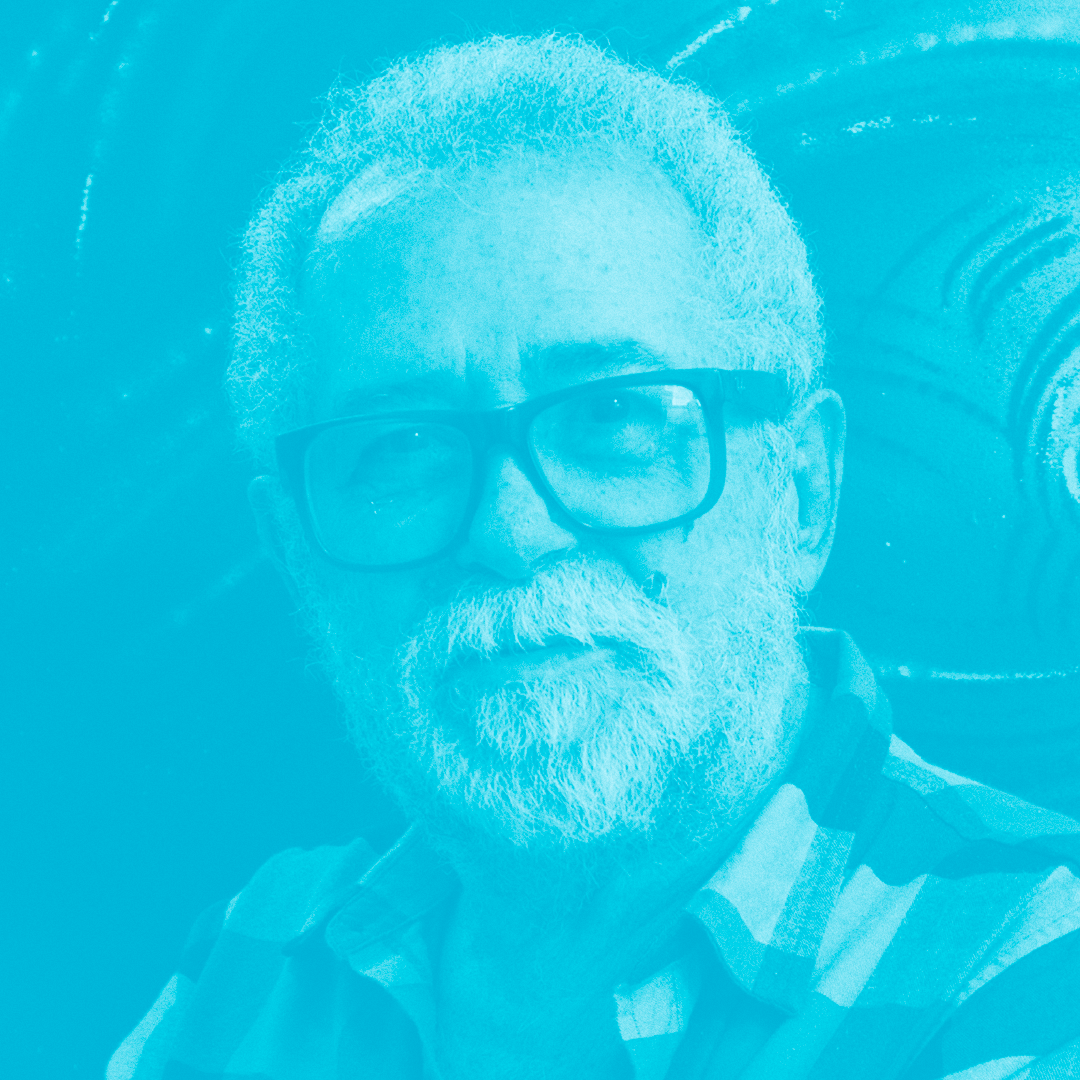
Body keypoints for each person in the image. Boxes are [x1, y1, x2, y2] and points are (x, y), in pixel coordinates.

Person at [108, 34, 1080, 1080]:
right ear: (297, 553)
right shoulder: (253, 962)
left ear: (801, 491)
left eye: (618, 415)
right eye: (401, 446)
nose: (512, 533)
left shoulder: (1037, 968)